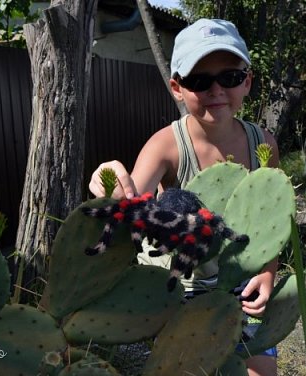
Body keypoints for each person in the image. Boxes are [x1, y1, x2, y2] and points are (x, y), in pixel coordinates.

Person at [88, 18, 279, 376]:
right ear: (177, 87)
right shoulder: (167, 146)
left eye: (230, 77)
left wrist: (268, 272)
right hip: (179, 289)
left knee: (261, 372)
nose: (216, 90)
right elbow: (133, 203)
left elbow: (272, 218)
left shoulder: (264, 143)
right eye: (199, 81)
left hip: (240, 286)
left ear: (247, 81)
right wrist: (108, 178)